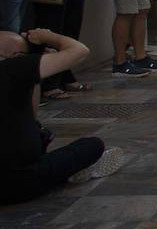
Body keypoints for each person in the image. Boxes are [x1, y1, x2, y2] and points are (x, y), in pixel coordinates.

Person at [0, 28, 105, 202]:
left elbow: (30, 114)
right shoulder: (12, 67)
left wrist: (34, 74)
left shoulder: (13, 72)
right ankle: (66, 173)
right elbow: (79, 51)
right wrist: (48, 37)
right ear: (14, 55)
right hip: (15, 181)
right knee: (92, 145)